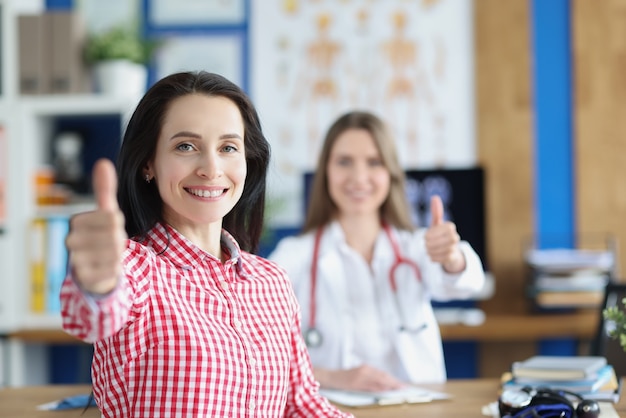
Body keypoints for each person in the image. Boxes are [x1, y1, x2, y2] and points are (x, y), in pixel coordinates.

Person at [60, 71, 351, 417]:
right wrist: (96, 285)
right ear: (149, 163)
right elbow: (92, 318)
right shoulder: (133, 266)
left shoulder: (271, 281)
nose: (211, 169)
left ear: (247, 161)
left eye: (228, 147)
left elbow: (300, 404)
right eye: (186, 146)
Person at [268, 110, 486, 392]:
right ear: (326, 172)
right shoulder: (294, 256)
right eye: (344, 162)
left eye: (374, 162)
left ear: (391, 172)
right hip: (332, 408)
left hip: (415, 408)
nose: (359, 177)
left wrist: (452, 258)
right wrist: (334, 377)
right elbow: (260, 352)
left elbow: (468, 283)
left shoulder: (416, 247)